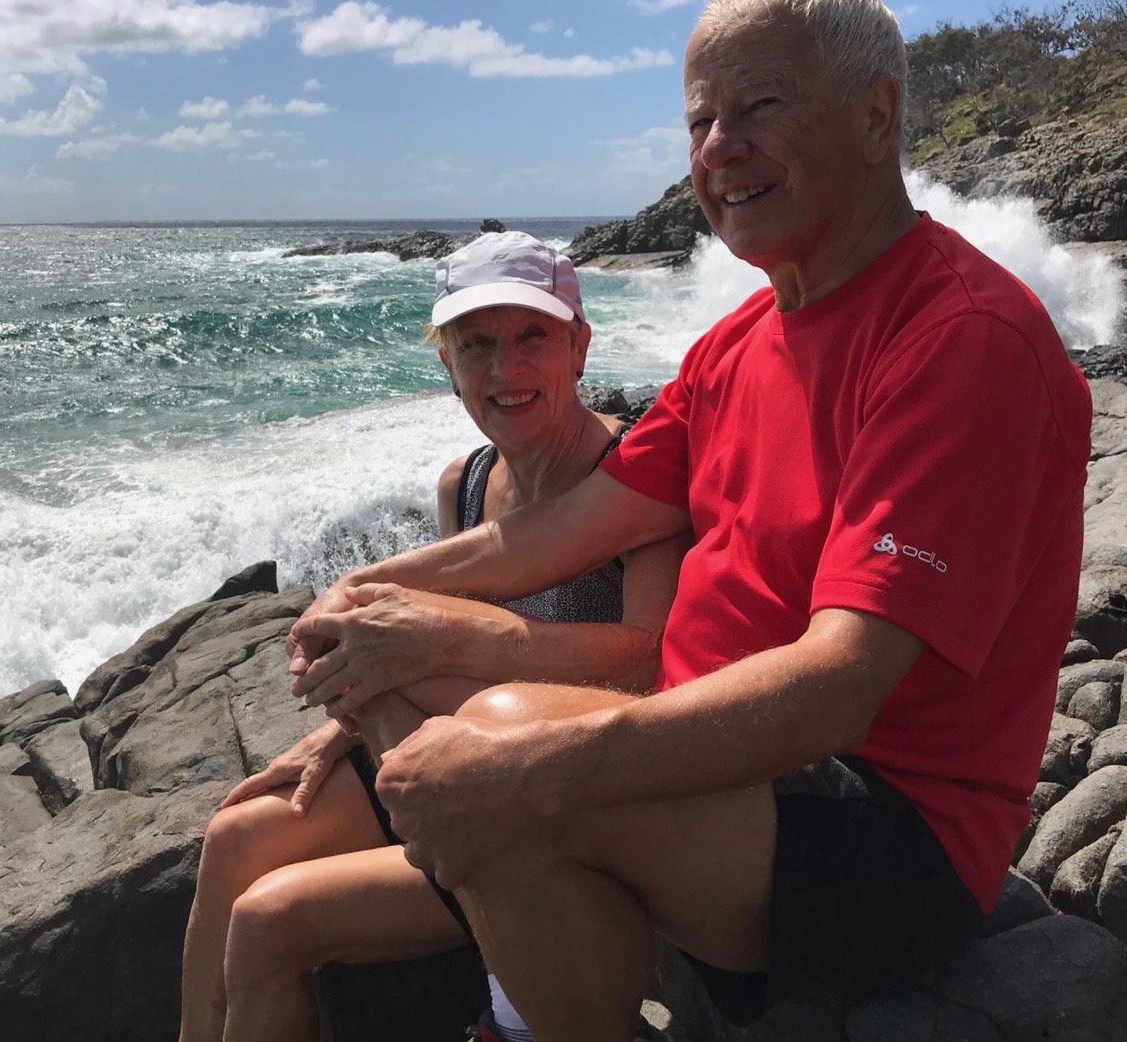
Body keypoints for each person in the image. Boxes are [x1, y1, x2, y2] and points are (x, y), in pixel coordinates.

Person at [288, 1, 1094, 1038]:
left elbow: (840, 688)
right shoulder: (737, 342)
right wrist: (363, 592)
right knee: (399, 678)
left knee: (496, 744)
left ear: (874, 115)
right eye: (700, 122)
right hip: (726, 750)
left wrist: (531, 767)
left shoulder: (962, 340)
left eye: (760, 106)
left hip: (891, 824)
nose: (719, 150)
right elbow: (559, 531)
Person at [176, 230, 688, 1042]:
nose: (505, 368)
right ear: (447, 366)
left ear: (580, 347)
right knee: (235, 837)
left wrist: (433, 651)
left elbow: (647, 663)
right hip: (441, 760)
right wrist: (341, 730)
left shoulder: (634, 477)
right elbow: (418, 647)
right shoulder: (467, 481)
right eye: (475, 345)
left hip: (556, 807)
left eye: (533, 336)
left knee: (268, 918)